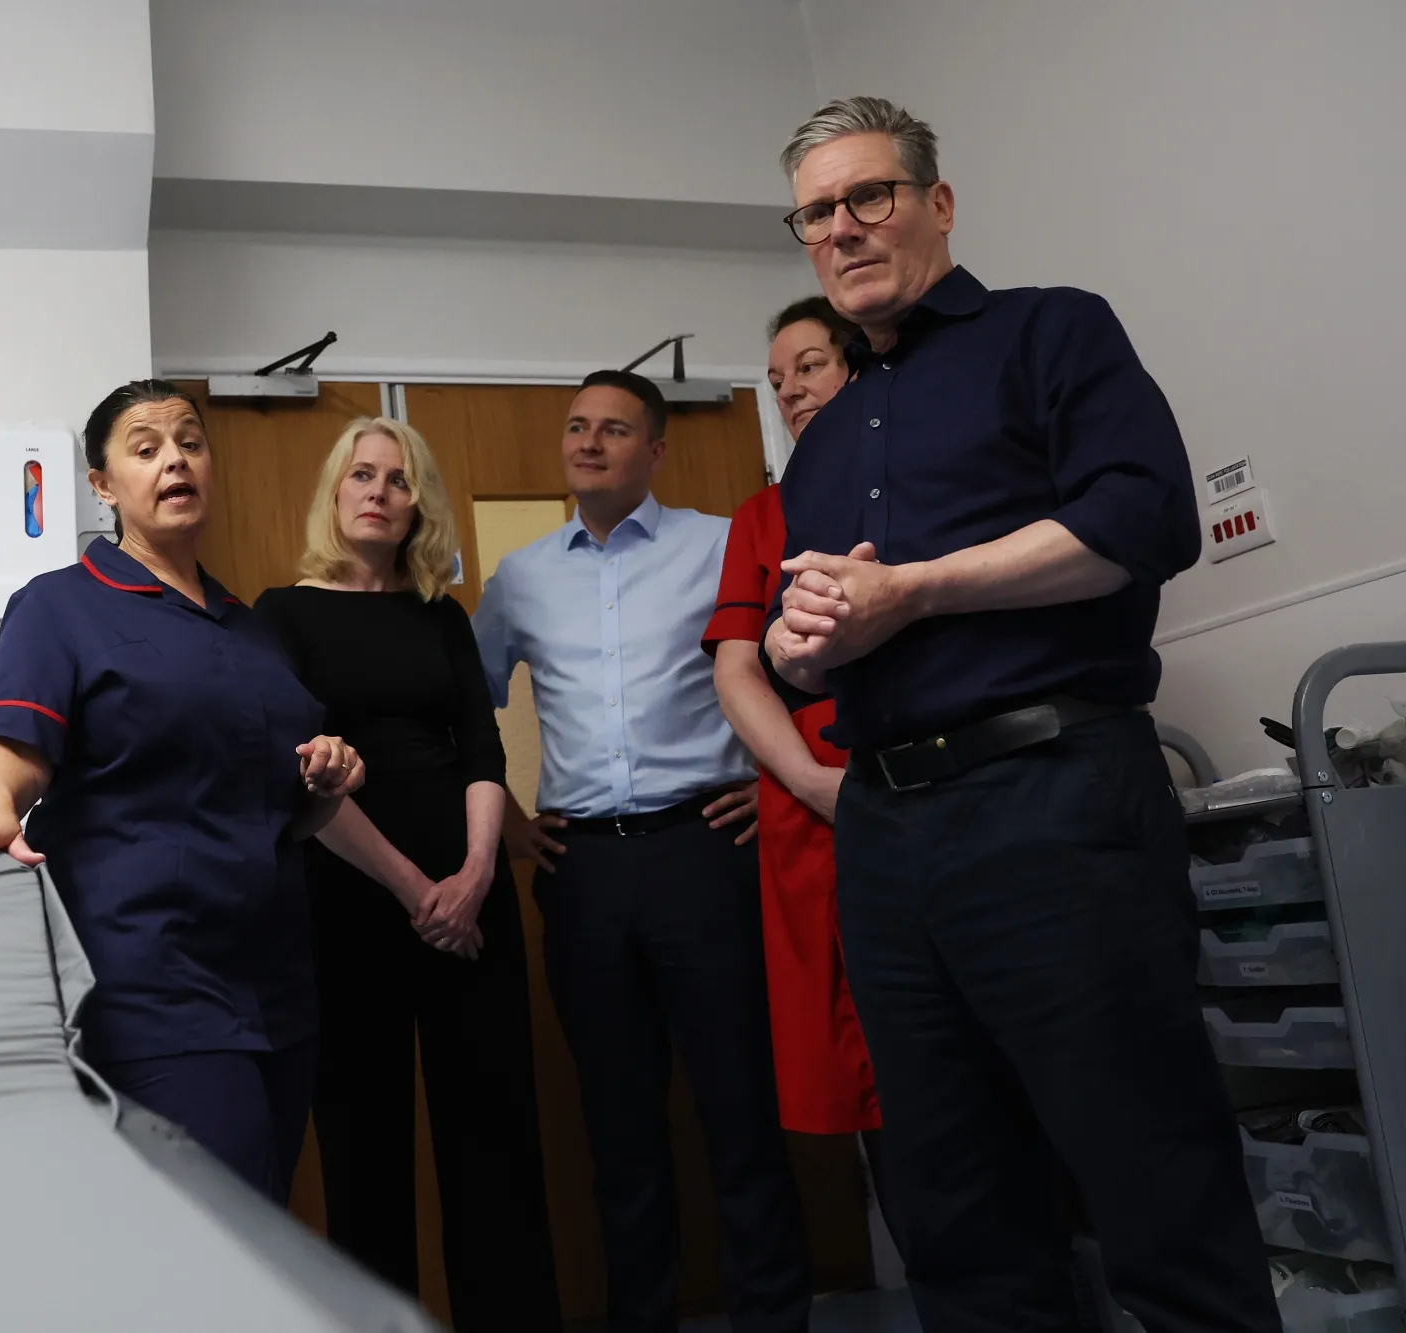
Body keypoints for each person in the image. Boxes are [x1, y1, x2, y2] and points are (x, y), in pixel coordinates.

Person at [764, 98, 1276, 1331]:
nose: (841, 229)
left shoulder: (1051, 333)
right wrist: (796, 652)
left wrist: (914, 589)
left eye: (867, 196)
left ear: (936, 204)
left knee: (1149, 1182)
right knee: (954, 1217)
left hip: (1050, 801)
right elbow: (830, 644)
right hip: (887, 836)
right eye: (815, 213)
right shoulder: (819, 451)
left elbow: (1141, 524)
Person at [0, 380, 421, 1205]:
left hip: (277, 985)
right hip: (153, 984)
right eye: (146, 447)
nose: (176, 458)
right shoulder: (61, 605)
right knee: (218, 1235)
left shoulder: (250, 629)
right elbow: (9, 748)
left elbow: (290, 815)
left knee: (268, 1221)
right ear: (104, 485)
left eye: (191, 442)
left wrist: (326, 779)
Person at [476, 369, 809, 1333]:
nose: (589, 442)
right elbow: (457, 709)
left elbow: (796, 666)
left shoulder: (720, 544)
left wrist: (778, 779)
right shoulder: (522, 576)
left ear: (655, 450)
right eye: (577, 426)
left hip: (707, 854)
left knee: (741, 1109)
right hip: (585, 875)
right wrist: (502, 809)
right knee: (618, 1126)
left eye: (614, 428)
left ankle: (774, 1319)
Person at [254, 418, 561, 1332]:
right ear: (335, 494)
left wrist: (470, 876)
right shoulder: (283, 613)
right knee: (364, 1142)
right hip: (349, 899)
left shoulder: (440, 616)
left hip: (471, 901)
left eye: (398, 477)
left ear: (416, 500)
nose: (380, 491)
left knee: (496, 1130)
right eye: (362, 475)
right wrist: (412, 889)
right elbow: (298, 766)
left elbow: (479, 744)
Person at [704, 296, 891, 1228]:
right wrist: (808, 780)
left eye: (808, 366)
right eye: (775, 381)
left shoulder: (916, 481)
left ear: (858, 365)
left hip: (918, 770)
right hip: (809, 790)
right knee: (859, 1071)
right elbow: (738, 666)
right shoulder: (759, 517)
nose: (788, 391)